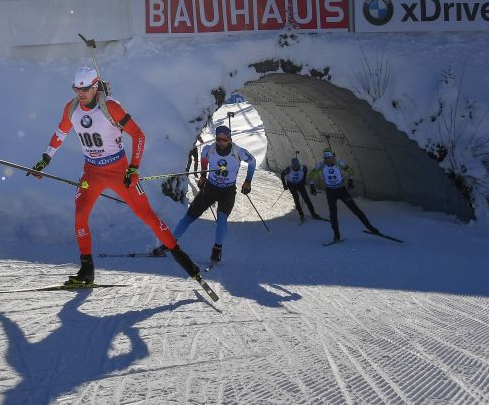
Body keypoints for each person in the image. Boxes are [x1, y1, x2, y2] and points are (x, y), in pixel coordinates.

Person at [29, 67, 203, 285]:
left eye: (85, 89)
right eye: (76, 88)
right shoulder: (71, 108)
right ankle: (87, 269)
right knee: (80, 215)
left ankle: (182, 258)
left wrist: (134, 167)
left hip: (119, 171)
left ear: (95, 87)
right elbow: (60, 133)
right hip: (92, 171)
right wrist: (45, 159)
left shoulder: (111, 107)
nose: (80, 93)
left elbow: (138, 135)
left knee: (147, 215)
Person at [156, 124, 256, 265]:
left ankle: (217, 249)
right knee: (189, 217)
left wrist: (248, 181)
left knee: (221, 220)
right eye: (218, 139)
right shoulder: (209, 150)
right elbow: (204, 160)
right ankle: (169, 243)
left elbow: (253, 162)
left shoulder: (238, 151)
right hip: (210, 188)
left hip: (227, 191)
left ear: (229, 139)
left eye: (224, 139)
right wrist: (203, 176)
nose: (221, 142)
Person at [308, 149, 379, 242]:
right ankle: (336, 235)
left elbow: (350, 170)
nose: (327, 160)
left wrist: (351, 180)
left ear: (332, 157)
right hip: (330, 192)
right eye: (325, 158)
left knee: (355, 210)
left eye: (329, 158)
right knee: (333, 214)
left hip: (341, 190)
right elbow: (312, 174)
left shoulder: (339, 163)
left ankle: (370, 227)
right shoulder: (321, 165)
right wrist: (312, 186)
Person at [280, 157, 321, 223]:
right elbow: (282, 174)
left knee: (307, 199)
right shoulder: (289, 169)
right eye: (295, 166)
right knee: (296, 198)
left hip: (300, 185)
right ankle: (301, 213)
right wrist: (284, 185)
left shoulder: (303, 167)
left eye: (297, 165)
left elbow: (305, 171)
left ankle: (313, 213)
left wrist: (303, 180)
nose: (296, 167)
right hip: (291, 185)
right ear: (292, 165)